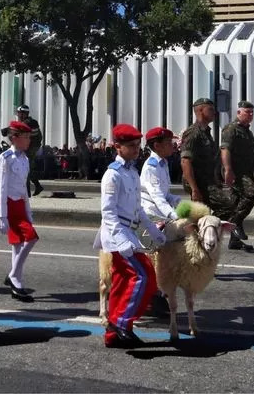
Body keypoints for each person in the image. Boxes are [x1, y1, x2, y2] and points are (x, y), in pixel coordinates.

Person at [94, 124, 166, 348]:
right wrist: (122, 241)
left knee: (123, 282)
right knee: (144, 277)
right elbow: (108, 213)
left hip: (130, 231)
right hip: (117, 235)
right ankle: (122, 323)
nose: (136, 150)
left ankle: (113, 335)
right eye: (131, 146)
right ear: (117, 146)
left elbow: (138, 210)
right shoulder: (112, 175)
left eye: (138, 145)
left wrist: (154, 232)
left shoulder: (132, 172)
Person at [140, 126, 181, 317]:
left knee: (164, 255)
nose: (172, 146)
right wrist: (174, 216)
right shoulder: (151, 167)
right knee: (153, 258)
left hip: (160, 214)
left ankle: (157, 293)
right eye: (168, 143)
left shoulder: (163, 164)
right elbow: (156, 197)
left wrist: (181, 203)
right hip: (150, 217)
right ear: (156, 145)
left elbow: (166, 195)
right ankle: (150, 297)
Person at [0, 120, 39, 302]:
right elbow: (1, 187)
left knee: (19, 243)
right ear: (15, 138)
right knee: (31, 237)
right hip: (8, 203)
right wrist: (1, 216)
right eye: (26, 137)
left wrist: (28, 210)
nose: (29, 141)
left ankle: (16, 280)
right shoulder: (5, 158)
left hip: (20, 204)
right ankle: (14, 276)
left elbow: (23, 188)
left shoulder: (25, 159)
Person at [219, 100, 254, 251]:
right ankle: (233, 223)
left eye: (252, 112)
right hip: (235, 172)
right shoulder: (231, 129)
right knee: (252, 194)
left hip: (246, 171)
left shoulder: (247, 132)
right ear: (238, 113)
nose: (250, 115)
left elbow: (250, 154)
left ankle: (234, 241)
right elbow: (225, 149)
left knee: (238, 204)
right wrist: (228, 170)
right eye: (247, 112)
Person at [16, 105, 44, 195]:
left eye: (20, 113)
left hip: (30, 149)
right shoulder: (25, 122)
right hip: (27, 148)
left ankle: (27, 193)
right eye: (18, 113)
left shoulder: (31, 122)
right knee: (29, 169)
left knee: (25, 169)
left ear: (25, 114)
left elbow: (22, 132)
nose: (19, 115)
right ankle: (37, 186)